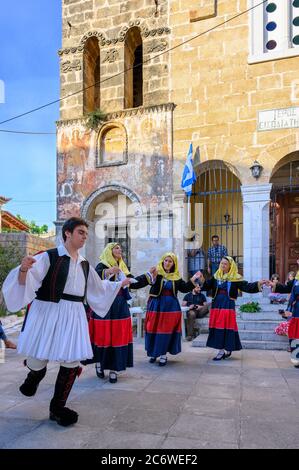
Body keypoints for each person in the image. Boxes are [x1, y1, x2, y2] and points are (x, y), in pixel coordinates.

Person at [2, 217, 131, 427]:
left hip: (74, 315)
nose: (84, 237)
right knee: (38, 358)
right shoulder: (48, 257)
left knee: (71, 363)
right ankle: (34, 376)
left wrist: (119, 284)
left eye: (86, 234)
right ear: (67, 233)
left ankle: (58, 408)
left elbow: (98, 289)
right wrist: (24, 269)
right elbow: (27, 282)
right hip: (47, 312)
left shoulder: (85, 264)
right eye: (81, 232)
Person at [84, 242, 155, 383]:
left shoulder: (123, 267)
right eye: (116, 248)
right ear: (109, 251)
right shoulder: (102, 265)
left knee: (117, 336)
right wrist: (109, 272)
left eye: (120, 248)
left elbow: (133, 282)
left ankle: (113, 369)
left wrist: (148, 275)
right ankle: (99, 362)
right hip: (104, 307)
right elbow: (94, 280)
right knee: (103, 336)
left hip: (120, 306)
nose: (119, 250)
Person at [198, 256, 264, 361]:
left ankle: (228, 348)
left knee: (227, 327)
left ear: (230, 266)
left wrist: (258, 284)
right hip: (216, 305)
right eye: (221, 263)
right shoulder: (216, 276)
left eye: (225, 264)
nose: (222, 265)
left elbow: (246, 286)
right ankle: (220, 351)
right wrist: (201, 280)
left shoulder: (235, 278)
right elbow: (207, 286)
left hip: (228, 305)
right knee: (217, 327)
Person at [144, 252, 201, 366]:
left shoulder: (176, 277)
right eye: (166, 260)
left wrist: (193, 279)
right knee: (154, 329)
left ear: (173, 263)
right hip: (156, 306)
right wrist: (151, 276)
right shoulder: (157, 273)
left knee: (165, 331)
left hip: (170, 308)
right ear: (162, 261)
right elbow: (150, 283)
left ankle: (163, 355)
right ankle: (154, 353)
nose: (167, 263)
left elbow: (184, 289)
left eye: (170, 261)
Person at [268, 260, 299, 367]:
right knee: (295, 334)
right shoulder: (295, 281)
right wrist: (274, 284)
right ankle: (297, 358)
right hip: (296, 310)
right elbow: (286, 288)